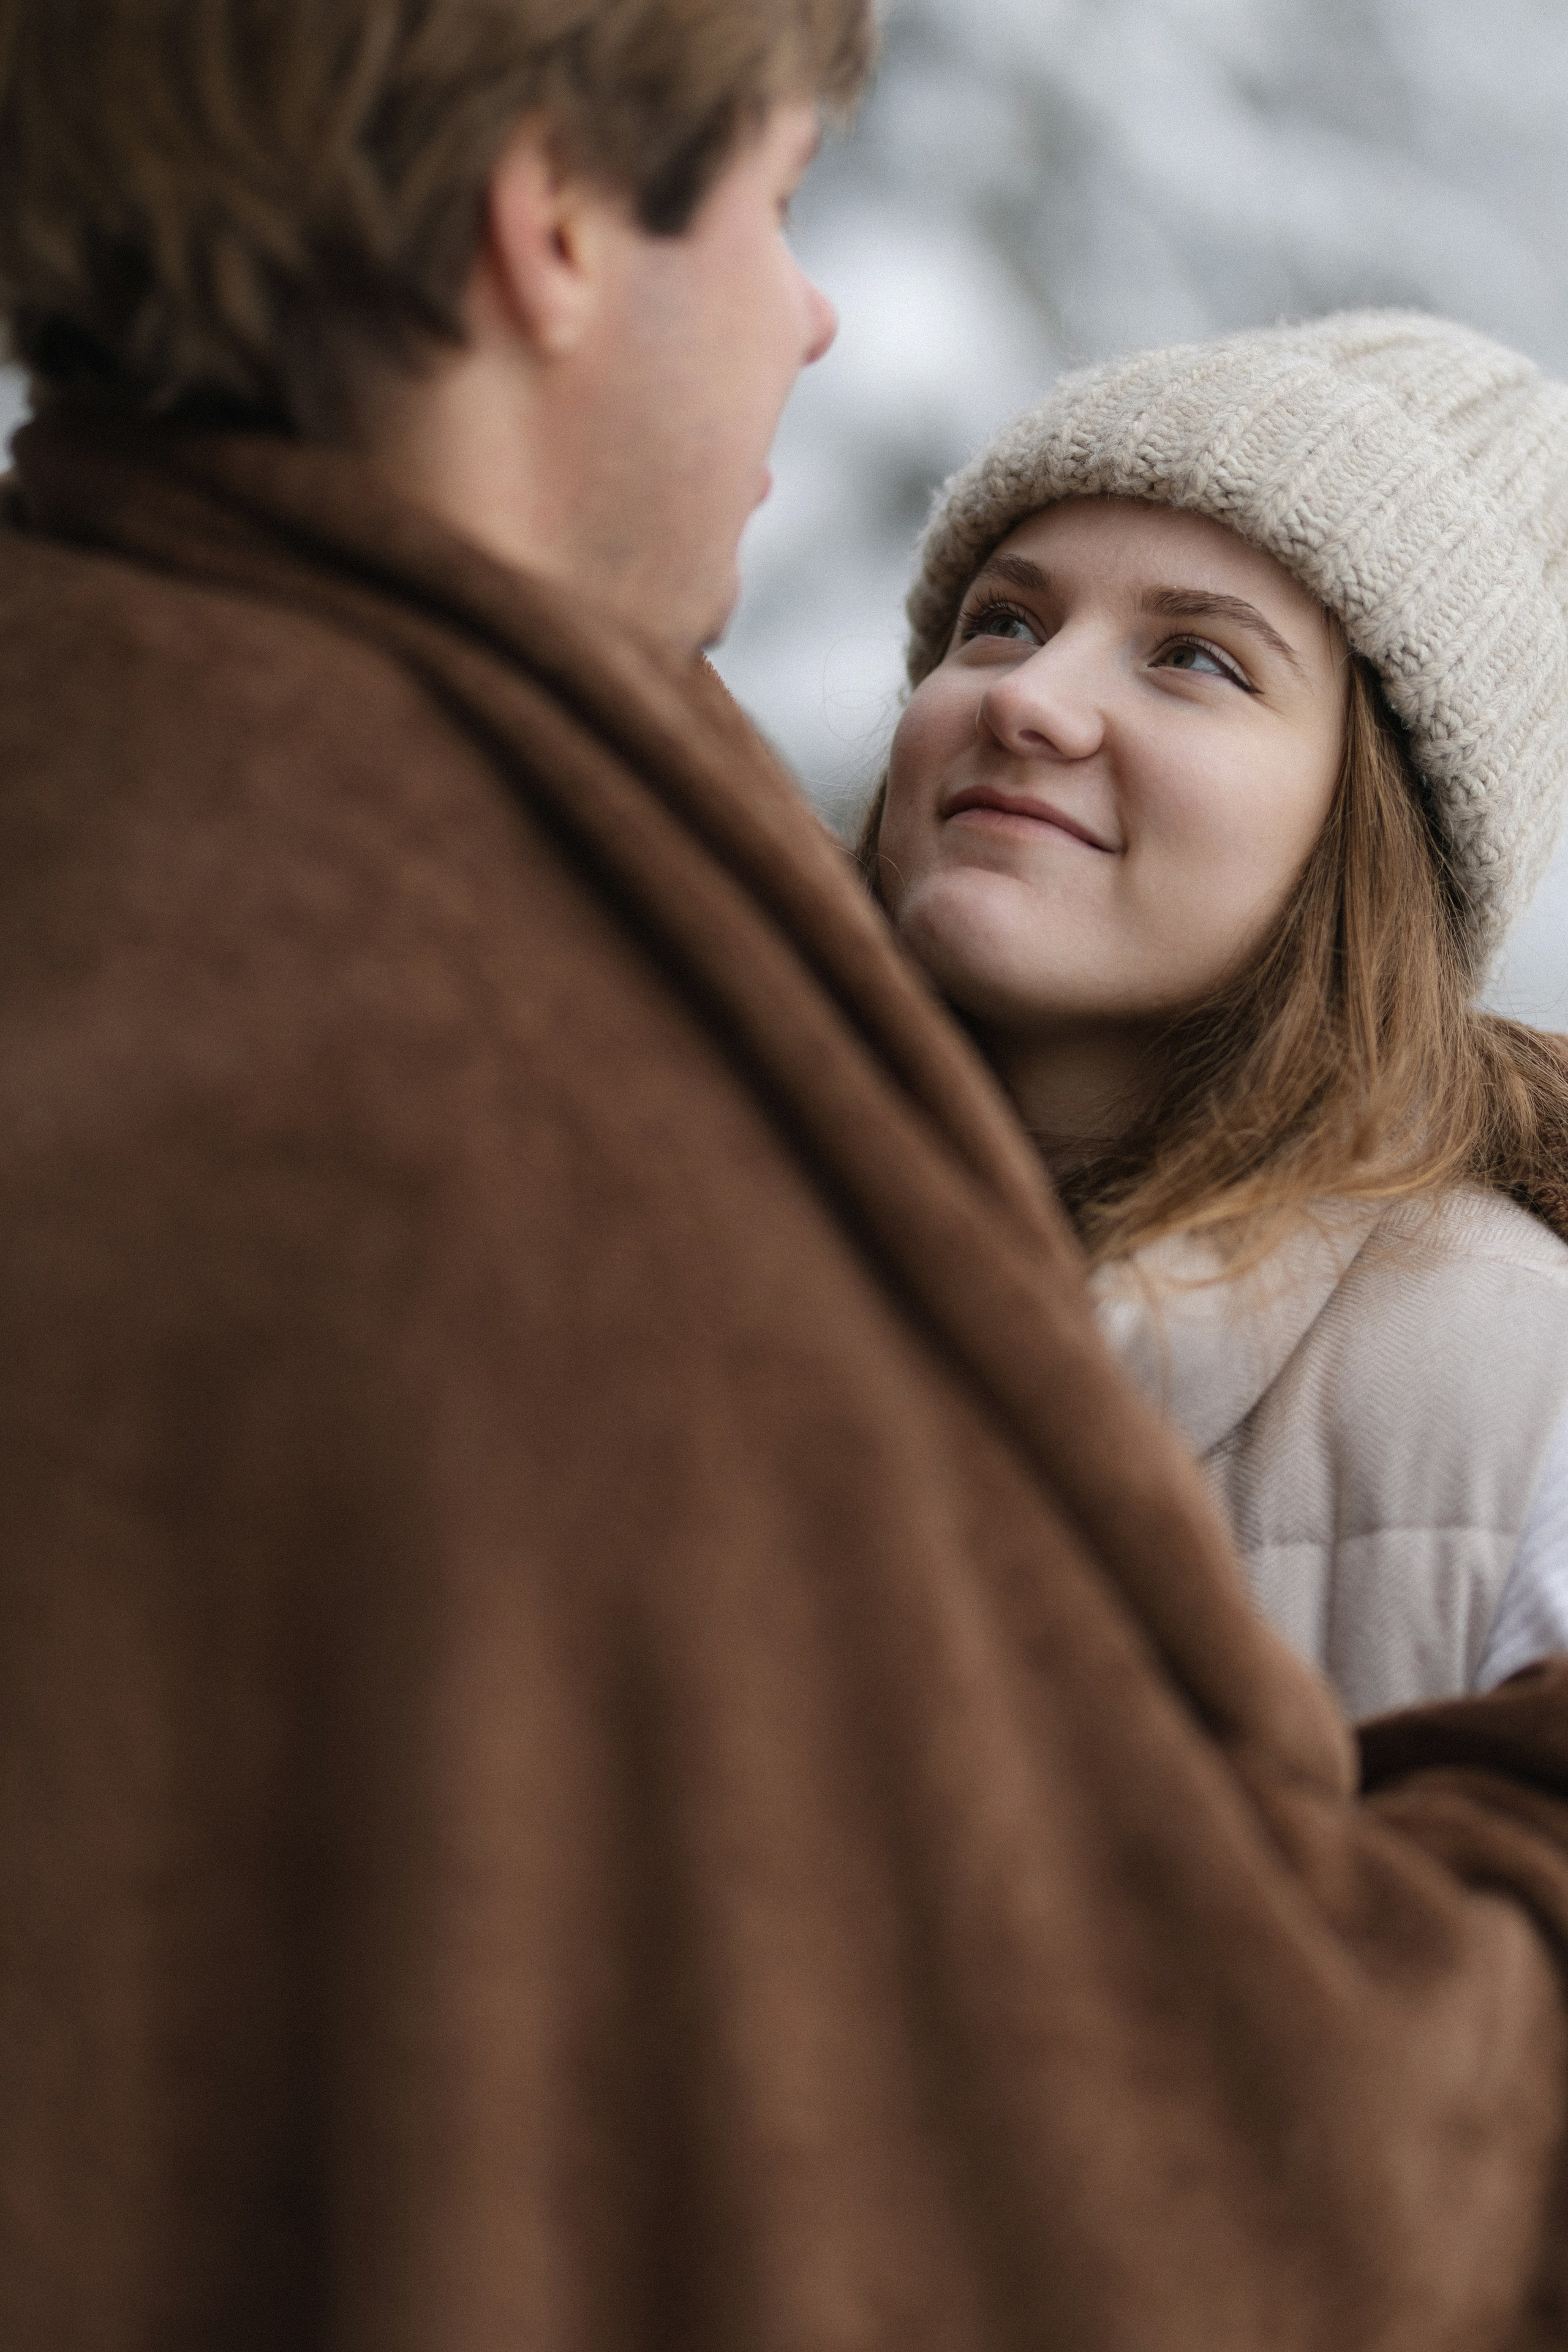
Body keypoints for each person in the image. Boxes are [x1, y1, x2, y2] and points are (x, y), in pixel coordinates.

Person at [4, 12, 1568, 2346]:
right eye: (778, 195)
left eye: (1202, 660)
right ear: (551, 227)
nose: (815, 311)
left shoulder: (234, 808)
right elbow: (1147, 2159)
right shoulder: (571, 1059)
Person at [865, 310, 1568, 1721]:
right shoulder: (663, 1183)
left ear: (1372, 819)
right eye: (1000, 622)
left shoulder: (1519, 1398)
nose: (1033, 703)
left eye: (1192, 658)